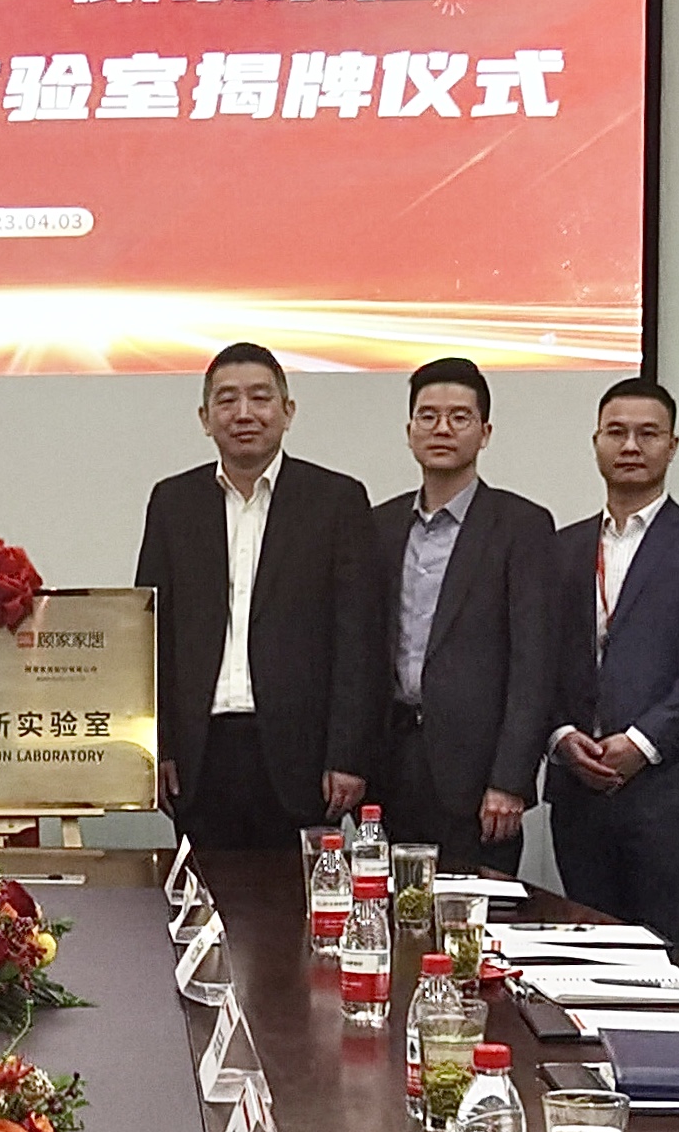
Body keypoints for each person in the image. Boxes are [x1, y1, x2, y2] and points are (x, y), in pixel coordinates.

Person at [136, 343, 377, 850]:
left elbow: (359, 639)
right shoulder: (173, 502)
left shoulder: (336, 500)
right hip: (200, 756)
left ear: (288, 411)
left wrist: (348, 756)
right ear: (205, 418)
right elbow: (152, 633)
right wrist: (157, 747)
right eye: (227, 400)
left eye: (260, 398)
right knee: (205, 896)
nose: (244, 413)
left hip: (304, 760)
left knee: (301, 898)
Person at [544, 378, 679, 955]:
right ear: (596, 442)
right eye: (617, 432)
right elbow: (538, 659)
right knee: (588, 959)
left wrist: (641, 742)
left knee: (670, 959)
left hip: (669, 790)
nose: (630, 445)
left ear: (672, 445)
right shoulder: (561, 547)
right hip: (578, 787)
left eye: (647, 434)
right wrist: (561, 737)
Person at [370, 357, 555, 873]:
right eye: (428, 416)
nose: (442, 429)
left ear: (485, 432)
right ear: (409, 431)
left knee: (474, 914)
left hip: (479, 779)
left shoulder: (521, 525)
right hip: (391, 765)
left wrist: (511, 780)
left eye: (459, 417)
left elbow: (534, 664)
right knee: (392, 908)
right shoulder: (380, 525)